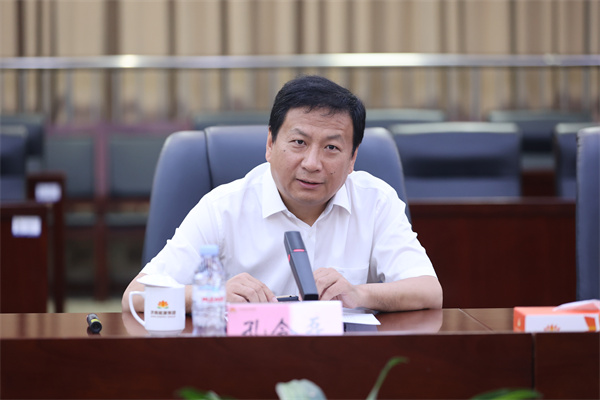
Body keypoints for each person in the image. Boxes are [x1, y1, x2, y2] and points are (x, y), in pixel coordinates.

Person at [122, 75, 442, 313]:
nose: (312, 163)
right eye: (299, 143)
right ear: (270, 144)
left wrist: (360, 294)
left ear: (352, 158)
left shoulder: (376, 201)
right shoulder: (222, 208)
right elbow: (135, 297)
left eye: (331, 148)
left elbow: (429, 291)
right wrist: (213, 296)